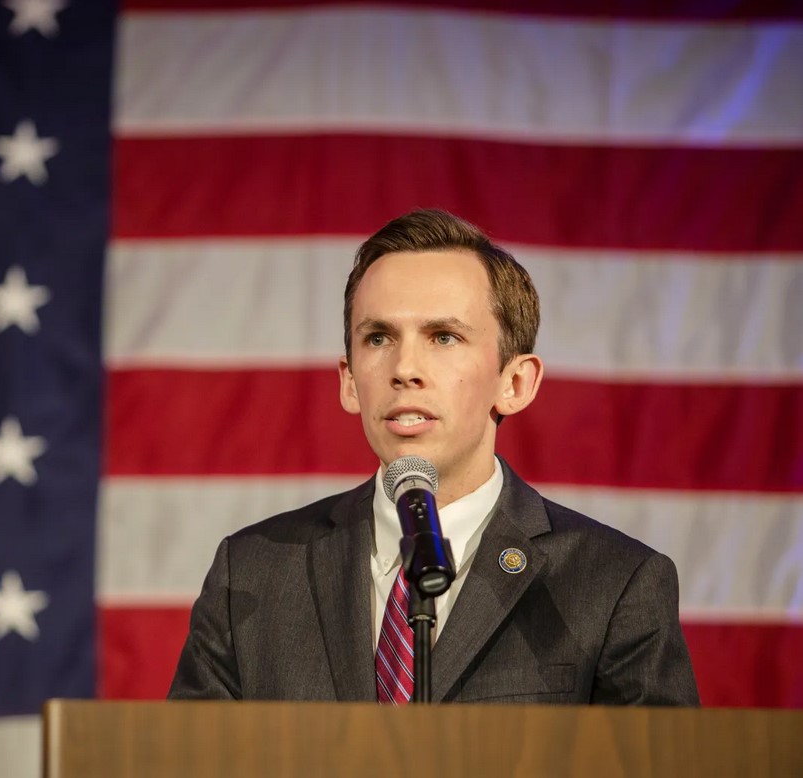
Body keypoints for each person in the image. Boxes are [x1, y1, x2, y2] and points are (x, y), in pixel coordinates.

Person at [168, 208, 699, 705]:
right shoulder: (252, 573)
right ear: (349, 382)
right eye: (379, 338)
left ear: (515, 383)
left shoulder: (615, 583)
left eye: (443, 337)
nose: (404, 369)